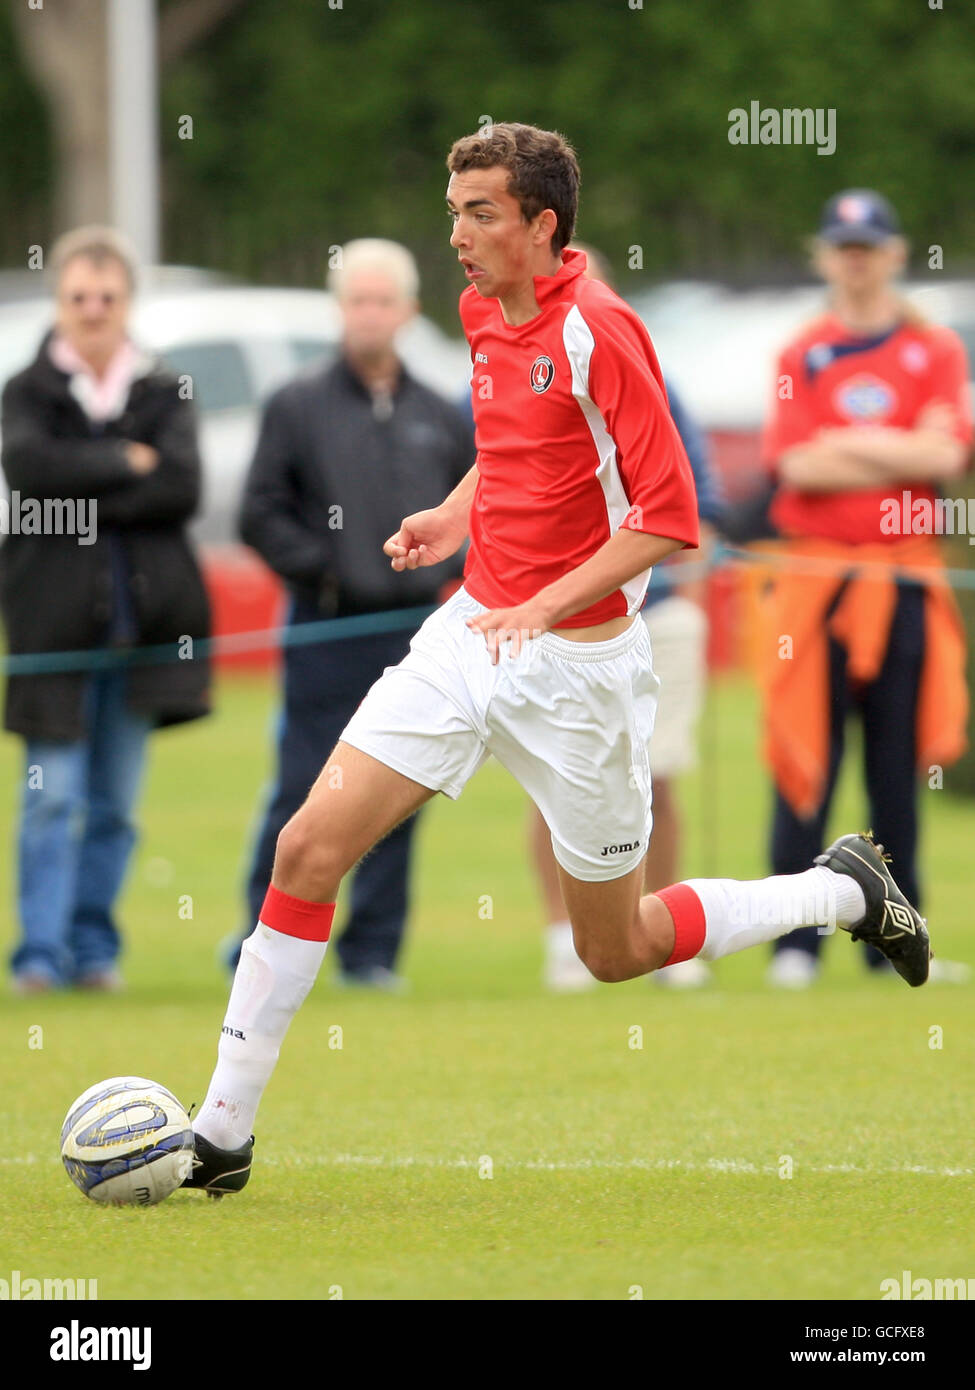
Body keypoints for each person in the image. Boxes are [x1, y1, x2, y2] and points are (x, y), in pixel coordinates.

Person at [183, 128, 932, 1197]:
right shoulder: (486, 310)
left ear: (544, 224)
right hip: (471, 634)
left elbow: (672, 520)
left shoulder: (607, 330)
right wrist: (452, 514)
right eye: (454, 211)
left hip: (581, 673)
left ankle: (839, 893)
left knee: (614, 947)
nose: (458, 235)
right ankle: (221, 1134)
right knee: (306, 849)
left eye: (481, 213)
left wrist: (543, 603)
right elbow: (520, 440)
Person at [232, 239, 474, 990]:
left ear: (407, 311)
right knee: (305, 785)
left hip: (411, 634)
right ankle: (262, 940)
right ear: (339, 308)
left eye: (383, 300)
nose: (369, 314)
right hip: (324, 628)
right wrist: (326, 569)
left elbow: (479, 511)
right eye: (356, 300)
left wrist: (445, 573)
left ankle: (371, 954)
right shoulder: (295, 403)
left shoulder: (439, 410)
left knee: (399, 787)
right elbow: (259, 511)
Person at [759, 190, 971, 989]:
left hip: (900, 578)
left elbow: (946, 456)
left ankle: (897, 941)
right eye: (841, 246)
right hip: (816, 580)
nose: (854, 259)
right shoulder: (801, 352)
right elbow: (795, 464)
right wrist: (896, 446)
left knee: (896, 765)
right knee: (804, 756)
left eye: (867, 246)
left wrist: (844, 439)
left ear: (893, 253)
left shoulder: (932, 347)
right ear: (823, 256)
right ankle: (794, 942)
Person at [1, 225, 210, 994]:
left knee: (114, 806)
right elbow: (29, 471)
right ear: (58, 302)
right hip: (51, 630)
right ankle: (39, 956)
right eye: (78, 297)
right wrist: (125, 459)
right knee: (51, 796)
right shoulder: (26, 391)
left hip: (143, 630)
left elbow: (182, 488)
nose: (93, 311)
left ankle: (94, 951)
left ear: (128, 302)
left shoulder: (163, 386)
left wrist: (87, 480)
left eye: (107, 297)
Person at [536, 243, 724, 991]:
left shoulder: (651, 379)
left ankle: (660, 931)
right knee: (555, 783)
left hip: (654, 613)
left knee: (659, 775)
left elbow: (696, 507)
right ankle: (564, 935)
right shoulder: (517, 371)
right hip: (555, 622)